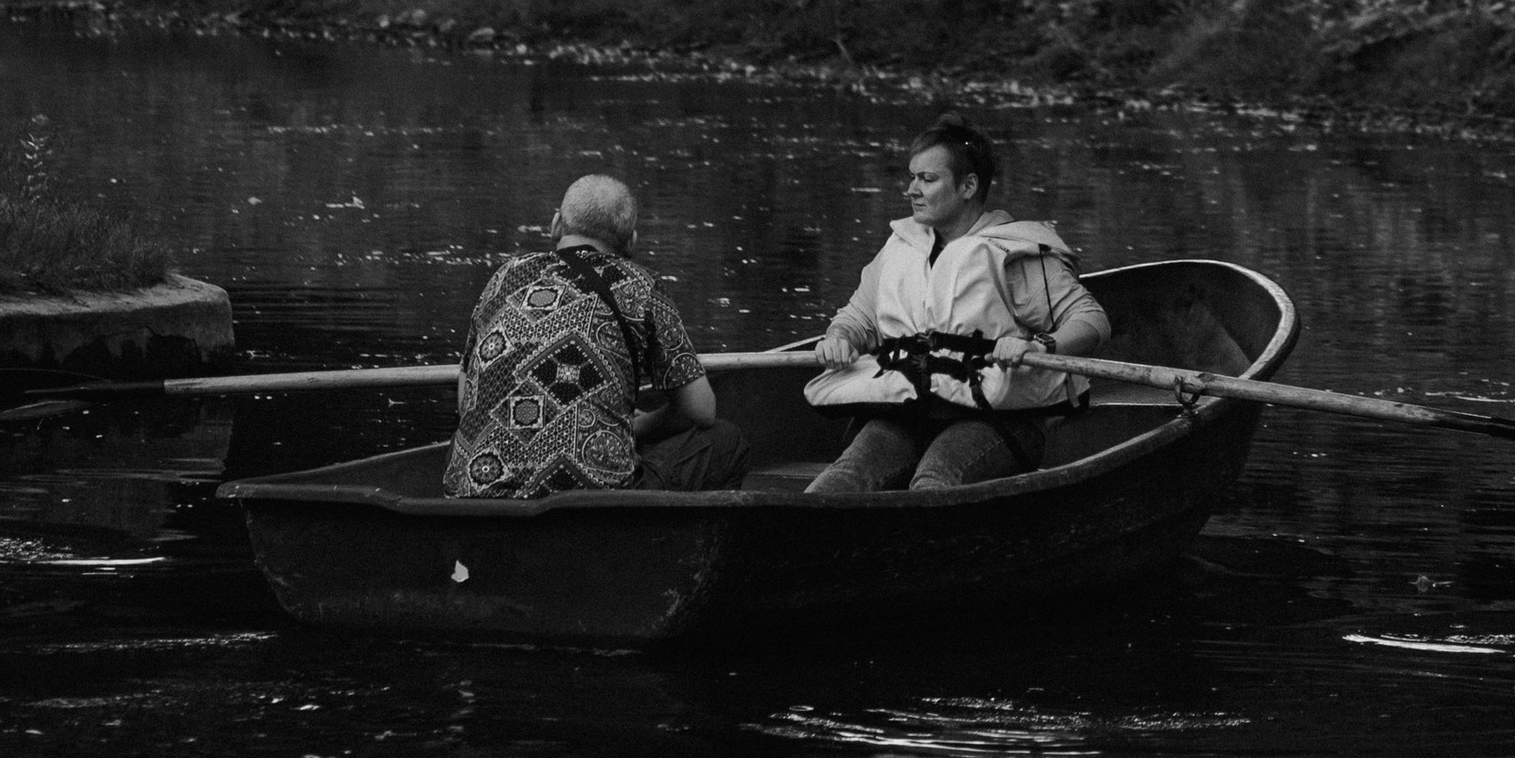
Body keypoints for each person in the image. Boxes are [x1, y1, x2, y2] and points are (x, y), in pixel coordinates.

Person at [804, 114, 1110, 494]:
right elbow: (858, 317)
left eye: (927, 179)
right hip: (909, 407)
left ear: (968, 186)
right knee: (835, 485)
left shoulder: (1012, 254)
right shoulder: (900, 246)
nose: (911, 189)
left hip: (997, 416)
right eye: (912, 177)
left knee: (932, 484)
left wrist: (1039, 345)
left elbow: (1090, 320)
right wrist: (840, 336)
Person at [444, 171, 749, 500]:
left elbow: (467, 400)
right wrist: (640, 425)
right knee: (725, 440)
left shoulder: (504, 277)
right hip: (595, 506)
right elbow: (700, 411)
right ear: (631, 241)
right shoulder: (641, 286)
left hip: (476, 496)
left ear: (556, 225)